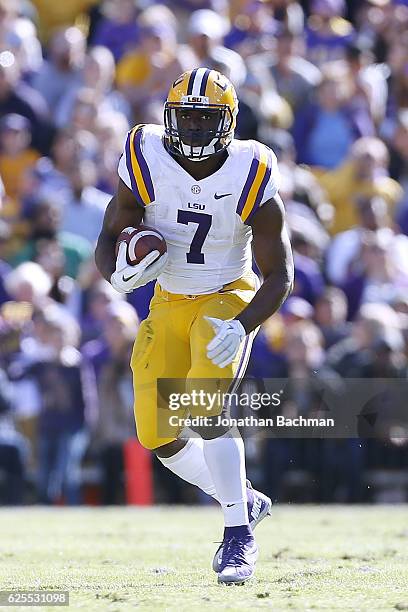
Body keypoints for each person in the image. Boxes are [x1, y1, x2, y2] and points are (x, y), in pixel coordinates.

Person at [95, 68, 293, 584]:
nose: (198, 129)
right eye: (188, 118)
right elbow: (110, 231)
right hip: (168, 299)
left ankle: (236, 537)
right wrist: (115, 274)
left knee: (206, 408)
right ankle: (242, 501)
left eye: (208, 120)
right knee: (155, 432)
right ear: (169, 117)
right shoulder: (145, 154)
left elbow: (281, 276)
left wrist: (243, 324)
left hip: (227, 295)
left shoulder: (251, 168)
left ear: (229, 122)